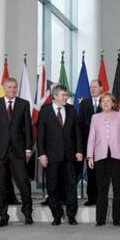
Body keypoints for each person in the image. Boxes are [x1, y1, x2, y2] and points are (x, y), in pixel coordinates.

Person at [0, 77, 33, 227]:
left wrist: (28, 148)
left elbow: (28, 129)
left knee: (23, 183)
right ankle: (3, 215)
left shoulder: (23, 104)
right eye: (10, 87)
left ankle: (27, 214)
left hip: (18, 150)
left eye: (15, 87)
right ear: (3, 89)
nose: (12, 90)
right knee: (0, 184)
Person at [37, 84, 83, 226]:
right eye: (63, 95)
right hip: (51, 157)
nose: (66, 97)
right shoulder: (44, 111)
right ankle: (56, 215)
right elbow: (40, 136)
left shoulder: (71, 109)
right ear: (55, 96)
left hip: (69, 156)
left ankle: (71, 216)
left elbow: (77, 132)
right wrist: (42, 154)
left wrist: (79, 150)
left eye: (66, 95)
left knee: (71, 187)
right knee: (53, 187)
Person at [87, 92, 120, 226]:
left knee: (118, 188)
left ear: (113, 103)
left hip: (118, 156)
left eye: (108, 101)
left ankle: (116, 218)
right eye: (103, 101)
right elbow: (91, 138)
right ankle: (100, 219)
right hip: (100, 157)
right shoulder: (95, 117)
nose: (106, 103)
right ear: (100, 104)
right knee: (102, 189)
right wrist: (90, 156)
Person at [78, 79, 102, 206]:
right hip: (88, 143)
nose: (92, 89)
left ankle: (101, 197)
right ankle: (91, 197)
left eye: (95, 87)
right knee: (91, 171)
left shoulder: (106, 102)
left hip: (103, 144)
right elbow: (81, 124)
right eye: (91, 87)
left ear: (101, 88)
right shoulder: (84, 103)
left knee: (101, 172)